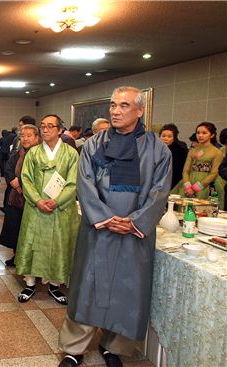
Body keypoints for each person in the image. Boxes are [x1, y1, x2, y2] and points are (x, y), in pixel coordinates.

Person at [57, 86, 171, 367]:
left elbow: (160, 192)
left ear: (139, 111)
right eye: (112, 105)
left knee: (126, 291)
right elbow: (84, 184)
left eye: (123, 105)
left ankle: (113, 347)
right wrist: (106, 218)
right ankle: (74, 348)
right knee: (88, 287)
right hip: (99, 230)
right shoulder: (94, 145)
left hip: (134, 234)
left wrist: (134, 222)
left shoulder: (158, 149)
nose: (115, 111)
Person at [15, 115, 80, 305]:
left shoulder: (70, 154)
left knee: (58, 244)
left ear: (60, 130)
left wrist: (57, 201)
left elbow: (73, 181)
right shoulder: (33, 153)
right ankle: (30, 282)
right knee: (32, 242)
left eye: (50, 126)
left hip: (60, 209)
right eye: (42, 126)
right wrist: (37, 200)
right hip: (36, 208)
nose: (45, 130)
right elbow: (25, 179)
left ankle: (54, 284)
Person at [0, 124, 40, 266]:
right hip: (15, 198)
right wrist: (12, 180)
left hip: (31, 200)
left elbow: (38, 176)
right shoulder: (18, 153)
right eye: (22, 136)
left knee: (29, 232)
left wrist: (21, 184)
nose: (25, 139)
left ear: (37, 137)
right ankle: (17, 257)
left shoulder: (40, 154)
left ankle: (30, 260)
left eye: (29, 136)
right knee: (16, 228)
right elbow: (8, 167)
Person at [177, 122, 224, 207]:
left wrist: (196, 187)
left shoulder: (217, 152)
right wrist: (188, 187)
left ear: (212, 135)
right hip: (189, 181)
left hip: (206, 184)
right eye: (198, 133)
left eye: (204, 133)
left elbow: (214, 173)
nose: (200, 135)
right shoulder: (192, 151)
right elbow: (185, 170)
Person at [159, 123, 188, 190]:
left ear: (174, 138)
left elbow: (180, 170)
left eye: (169, 136)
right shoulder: (155, 149)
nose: (166, 139)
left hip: (174, 181)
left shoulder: (180, 151)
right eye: (163, 136)